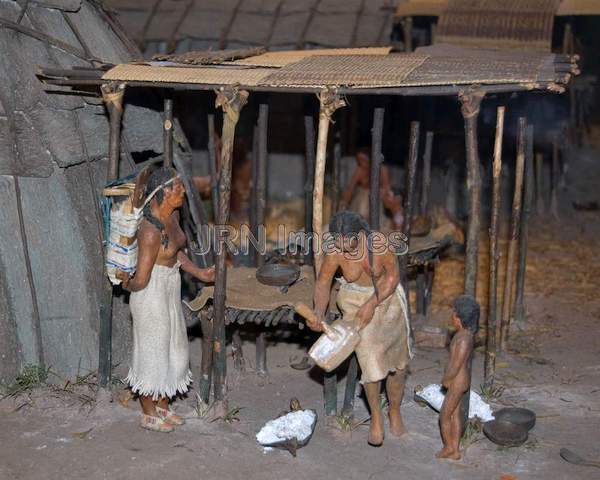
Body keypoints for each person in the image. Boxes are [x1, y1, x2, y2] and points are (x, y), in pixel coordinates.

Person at [119, 167, 215, 433]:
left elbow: (176, 254)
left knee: (175, 348)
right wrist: (124, 282)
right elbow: (141, 279)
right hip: (149, 293)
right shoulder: (150, 231)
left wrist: (199, 272)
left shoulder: (173, 215)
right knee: (153, 353)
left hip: (170, 287)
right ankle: (148, 413)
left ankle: (163, 405)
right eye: (177, 188)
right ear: (163, 193)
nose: (182, 190)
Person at [307, 211, 413, 446]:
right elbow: (323, 283)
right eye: (340, 245)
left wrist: (373, 303)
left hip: (385, 300)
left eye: (350, 245)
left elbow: (393, 277)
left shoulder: (380, 245)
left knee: (399, 363)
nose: (344, 251)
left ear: (361, 235)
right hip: (355, 303)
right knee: (369, 356)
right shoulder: (335, 251)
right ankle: (376, 416)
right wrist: (319, 312)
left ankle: (394, 410)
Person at [437, 295, 478, 460]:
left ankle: (449, 447)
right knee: (455, 414)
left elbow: (456, 363)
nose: (452, 315)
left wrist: (447, 379)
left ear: (459, 317)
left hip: (457, 381)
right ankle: (455, 449)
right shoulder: (463, 335)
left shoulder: (463, 340)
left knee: (444, 415)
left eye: (454, 313)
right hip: (460, 380)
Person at [339, 147, 404, 231]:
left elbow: (386, 187)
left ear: (370, 159)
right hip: (362, 199)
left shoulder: (382, 170)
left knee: (380, 217)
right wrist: (344, 202)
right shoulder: (359, 171)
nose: (361, 162)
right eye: (359, 160)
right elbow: (350, 189)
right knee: (362, 211)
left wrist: (387, 197)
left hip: (378, 196)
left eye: (363, 160)